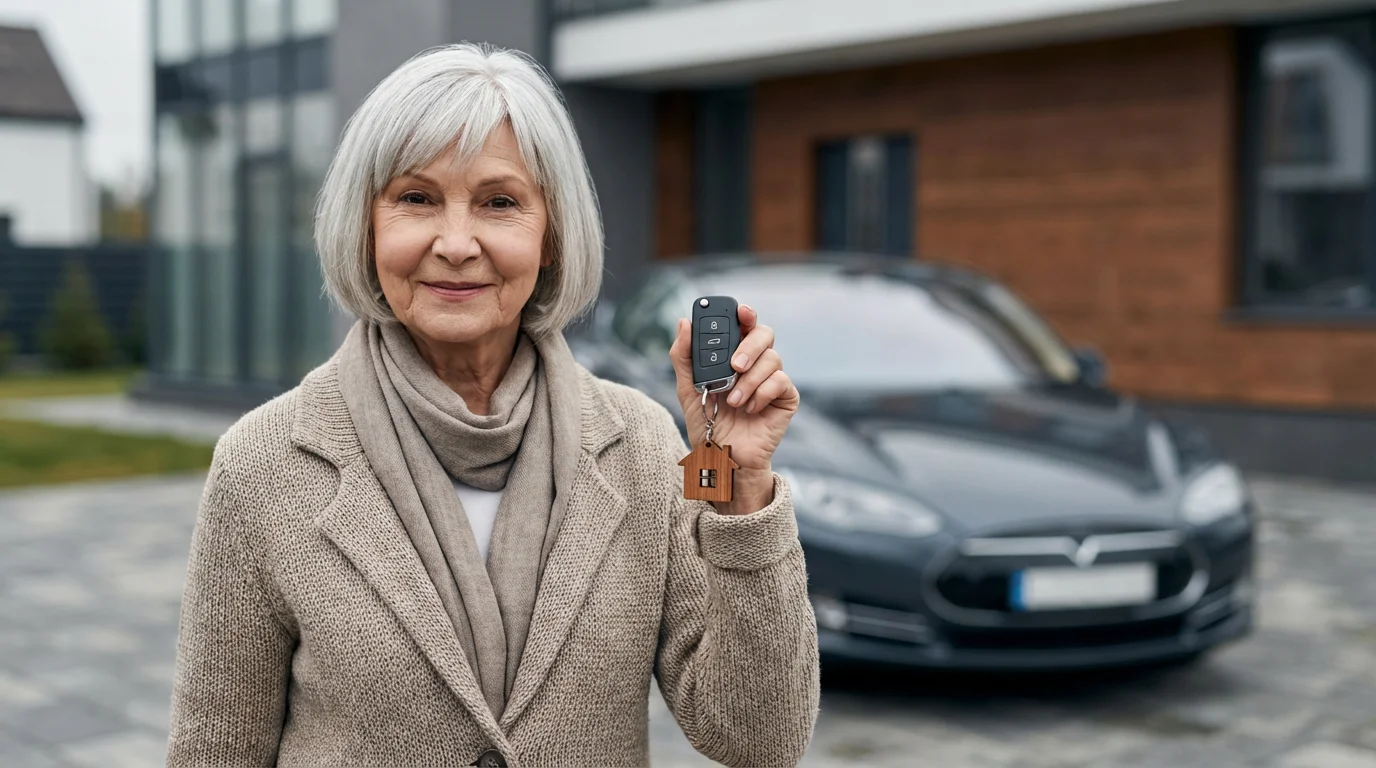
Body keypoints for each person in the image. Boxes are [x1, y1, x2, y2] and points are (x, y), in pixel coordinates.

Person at [164, 42, 819, 768]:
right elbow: (215, 750)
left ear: (552, 236)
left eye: (499, 202)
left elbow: (758, 739)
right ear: (367, 227)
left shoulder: (640, 441)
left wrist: (739, 485)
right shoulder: (264, 461)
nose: (454, 243)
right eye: (415, 199)